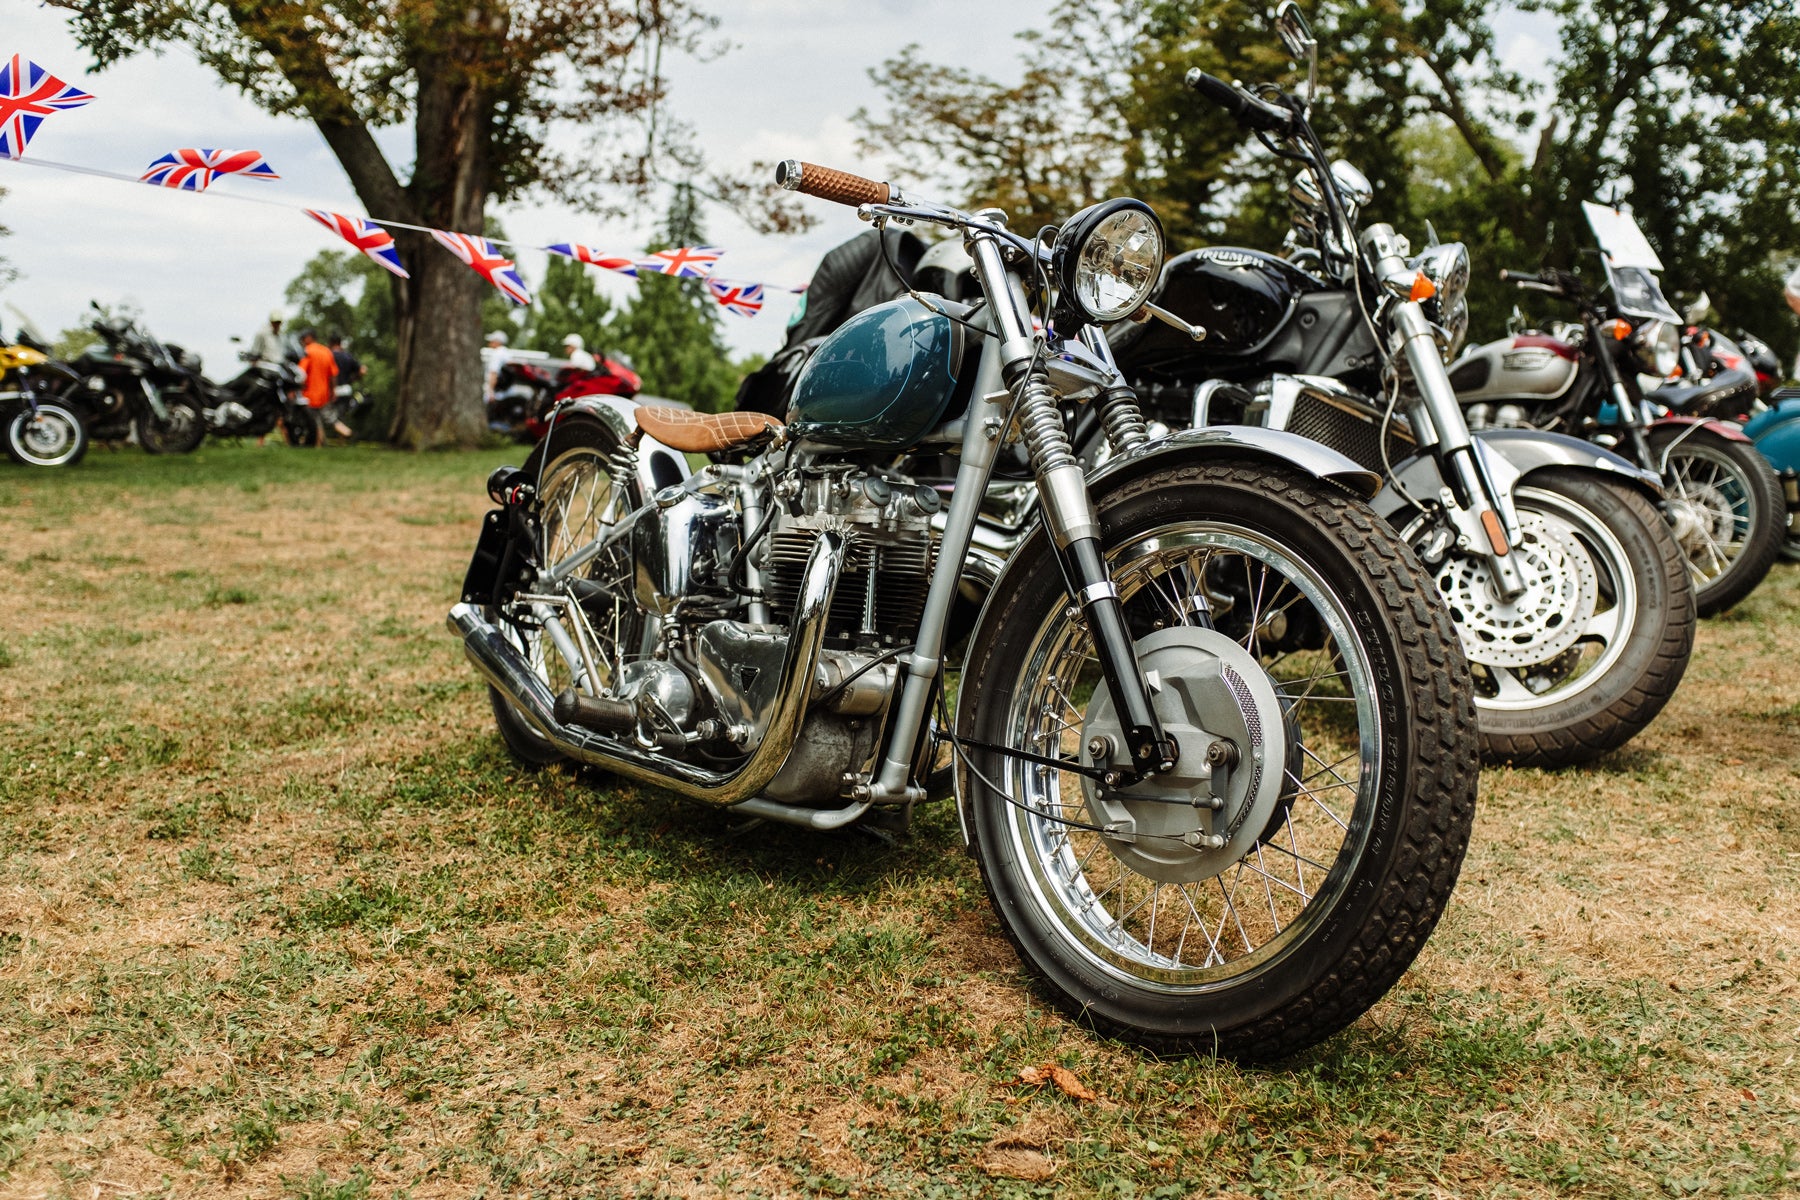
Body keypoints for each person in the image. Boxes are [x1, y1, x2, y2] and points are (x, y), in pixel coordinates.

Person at [297, 328, 338, 444]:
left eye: (303, 339)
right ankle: (323, 442)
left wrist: (297, 389)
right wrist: (333, 391)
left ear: (309, 337)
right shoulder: (326, 351)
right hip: (324, 393)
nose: (302, 341)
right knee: (322, 419)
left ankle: (318, 444)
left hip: (310, 393)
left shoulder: (307, 351)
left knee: (314, 421)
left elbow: (301, 373)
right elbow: (333, 374)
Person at [326, 334, 363, 439]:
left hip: (332, 390)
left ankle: (346, 434)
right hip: (346, 389)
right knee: (341, 417)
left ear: (330, 343)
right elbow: (362, 370)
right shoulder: (348, 356)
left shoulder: (329, 355)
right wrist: (353, 379)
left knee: (330, 417)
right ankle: (341, 440)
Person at [482, 329, 510, 402]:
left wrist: (490, 392)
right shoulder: (506, 352)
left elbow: (494, 373)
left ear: (497, 342)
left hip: (496, 392)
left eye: (492, 341)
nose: (490, 343)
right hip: (505, 391)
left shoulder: (497, 354)